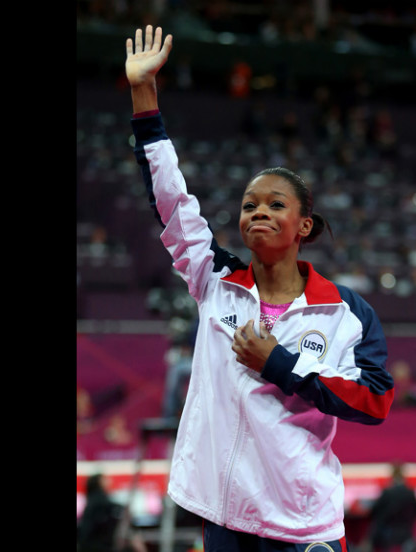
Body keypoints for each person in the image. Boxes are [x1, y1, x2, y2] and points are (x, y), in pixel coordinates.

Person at [123, 26, 394, 552]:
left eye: (275, 204)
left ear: (305, 227)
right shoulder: (214, 281)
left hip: (304, 525)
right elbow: (171, 199)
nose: (259, 212)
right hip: (227, 517)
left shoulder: (346, 314)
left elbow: (376, 400)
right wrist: (143, 94)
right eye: (250, 205)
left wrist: (282, 365)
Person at [368, 463, 416, 552]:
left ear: (392, 475)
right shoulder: (410, 492)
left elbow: (375, 511)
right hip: (407, 531)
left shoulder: (388, 492)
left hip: (387, 532)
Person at [77, 473, 124, 552]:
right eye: (105, 479)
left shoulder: (92, 497)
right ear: (99, 482)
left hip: (89, 541)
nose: (109, 481)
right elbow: (110, 506)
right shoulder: (98, 497)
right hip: (94, 543)